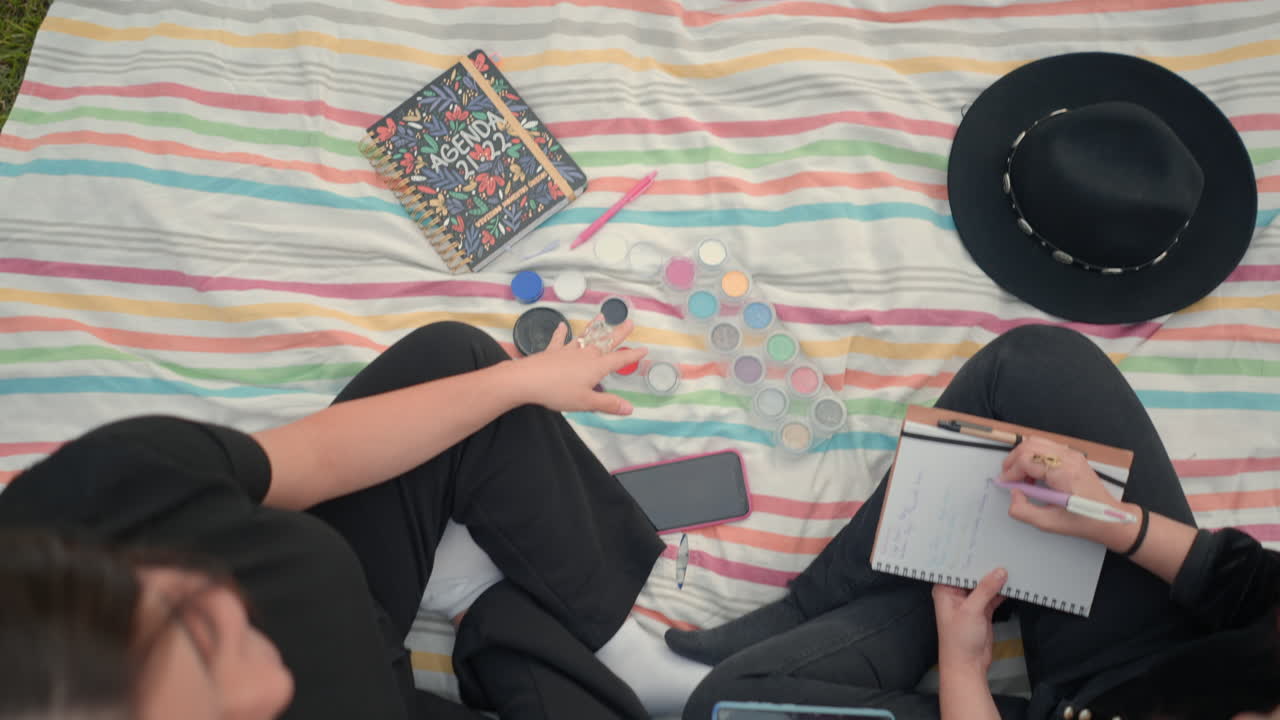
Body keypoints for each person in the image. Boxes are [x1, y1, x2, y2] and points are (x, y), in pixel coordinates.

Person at [0, 319, 709, 720]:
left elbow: (315, 455)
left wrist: (517, 381)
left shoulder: (108, 485)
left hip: (361, 590)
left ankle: (605, 650)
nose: (230, 603)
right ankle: (498, 623)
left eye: (181, 599)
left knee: (455, 363)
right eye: (214, 686)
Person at [666, 324, 1280, 720]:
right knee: (1034, 366)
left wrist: (963, 671)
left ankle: (946, 584)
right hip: (1160, 646)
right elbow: (1253, 586)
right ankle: (820, 603)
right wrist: (1112, 521)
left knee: (723, 707)